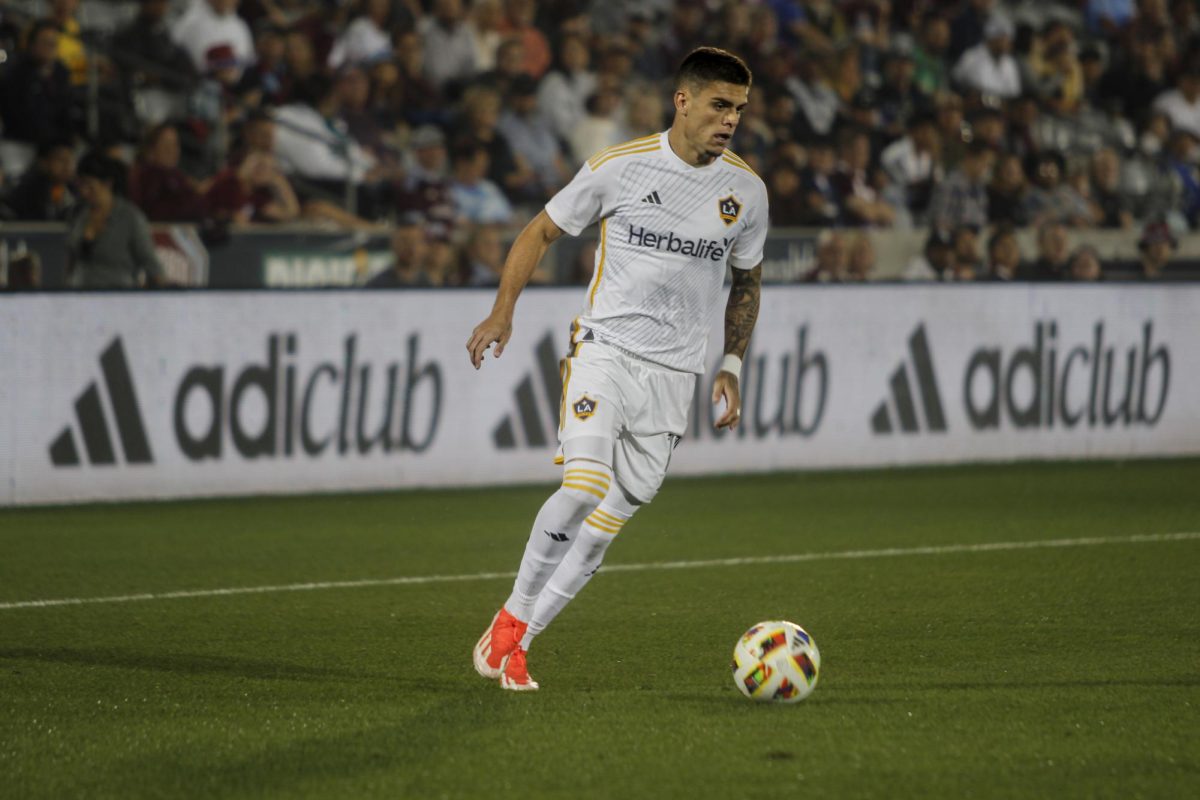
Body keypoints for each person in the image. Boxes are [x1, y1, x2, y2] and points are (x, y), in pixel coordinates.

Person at [466, 47, 767, 692]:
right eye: (720, 106)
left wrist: (732, 362)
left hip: (674, 378)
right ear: (683, 101)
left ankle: (518, 639)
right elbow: (539, 232)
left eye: (738, 110)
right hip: (605, 351)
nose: (730, 121)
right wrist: (502, 312)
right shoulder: (619, 168)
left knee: (604, 532)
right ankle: (513, 621)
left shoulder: (746, 191)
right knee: (582, 487)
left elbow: (746, 281)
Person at [67, 152, 166, 288]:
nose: (84, 192)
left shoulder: (130, 217)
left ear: (107, 183)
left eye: (90, 186)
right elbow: (71, 259)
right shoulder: (78, 213)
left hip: (118, 297)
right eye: (81, 185)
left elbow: (151, 264)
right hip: (80, 293)